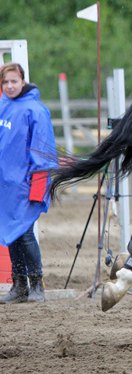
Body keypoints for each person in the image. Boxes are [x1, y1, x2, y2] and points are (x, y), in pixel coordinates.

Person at [0, 62, 57, 303]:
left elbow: (43, 152)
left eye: (14, 81)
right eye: (5, 82)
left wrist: (38, 188)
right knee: (10, 234)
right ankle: (19, 286)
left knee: (24, 234)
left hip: (26, 184)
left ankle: (36, 284)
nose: (9, 86)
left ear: (23, 82)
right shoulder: (2, 106)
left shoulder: (36, 111)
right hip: (5, 186)